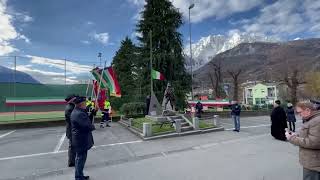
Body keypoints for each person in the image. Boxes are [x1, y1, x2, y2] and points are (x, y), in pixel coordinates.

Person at [286, 101, 320, 180]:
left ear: (308, 110)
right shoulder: (312, 119)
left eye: (300, 112)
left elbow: (314, 142)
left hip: (314, 163)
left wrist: (291, 138)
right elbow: (310, 135)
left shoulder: (317, 121)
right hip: (312, 161)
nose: (299, 115)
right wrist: (296, 135)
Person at [71, 96, 95, 180]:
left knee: (79, 159)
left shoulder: (77, 111)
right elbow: (87, 126)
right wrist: (92, 126)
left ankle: (79, 175)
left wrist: (92, 112)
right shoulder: (79, 114)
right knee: (80, 160)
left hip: (79, 140)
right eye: (84, 103)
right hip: (81, 140)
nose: (86, 104)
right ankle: (79, 177)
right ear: (81, 104)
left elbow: (86, 117)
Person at [65, 94, 77, 167]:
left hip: (71, 130)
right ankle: (71, 162)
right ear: (72, 100)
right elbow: (73, 120)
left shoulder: (70, 107)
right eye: (74, 98)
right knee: (72, 147)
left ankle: (72, 161)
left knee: (72, 146)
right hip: (72, 130)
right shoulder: (70, 108)